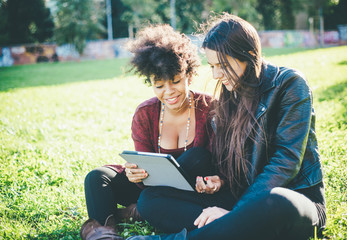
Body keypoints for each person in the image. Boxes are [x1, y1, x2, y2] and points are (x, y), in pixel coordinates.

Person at [120, 13, 327, 240]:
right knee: (152, 199)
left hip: (290, 200)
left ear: (248, 55)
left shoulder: (289, 85)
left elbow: (285, 163)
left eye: (222, 65)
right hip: (240, 198)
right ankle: (232, 229)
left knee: (276, 201)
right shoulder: (229, 95)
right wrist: (220, 182)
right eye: (212, 66)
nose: (217, 75)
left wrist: (236, 212)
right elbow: (229, 161)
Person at [80, 25, 214, 240]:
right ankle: (103, 235)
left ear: (188, 74)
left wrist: (212, 180)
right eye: (158, 85)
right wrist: (136, 175)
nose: (169, 92)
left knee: (196, 157)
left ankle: (137, 212)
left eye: (176, 81)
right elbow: (144, 166)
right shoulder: (145, 113)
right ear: (149, 81)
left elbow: (216, 164)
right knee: (97, 178)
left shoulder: (210, 108)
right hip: (150, 190)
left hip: (192, 192)